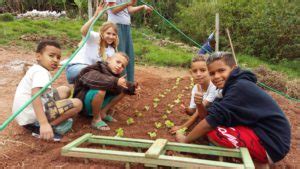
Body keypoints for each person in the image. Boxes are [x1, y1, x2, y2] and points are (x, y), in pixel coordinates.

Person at [176, 52, 291, 167]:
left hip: (272, 144)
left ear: (233, 68)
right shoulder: (227, 89)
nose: (216, 76)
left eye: (221, 70)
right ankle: (259, 162)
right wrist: (199, 104)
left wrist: (185, 140)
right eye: (212, 73)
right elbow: (206, 116)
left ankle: (259, 161)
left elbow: (209, 122)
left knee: (214, 132)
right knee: (212, 125)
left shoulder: (239, 88)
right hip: (265, 135)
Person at [12, 40, 83, 141]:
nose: (55, 60)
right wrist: (43, 123)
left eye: (58, 58)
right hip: (32, 117)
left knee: (65, 90)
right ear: (38, 56)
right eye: (51, 56)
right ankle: (44, 127)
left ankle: (44, 121)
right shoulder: (41, 73)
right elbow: (35, 96)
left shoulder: (37, 68)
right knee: (77, 103)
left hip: (25, 114)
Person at [74, 52, 137, 130]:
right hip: (83, 105)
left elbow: (118, 84)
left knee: (124, 88)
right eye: (118, 62)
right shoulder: (94, 68)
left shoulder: (115, 76)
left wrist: (132, 87)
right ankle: (96, 120)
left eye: (123, 66)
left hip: (97, 105)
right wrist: (115, 81)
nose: (119, 66)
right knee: (101, 89)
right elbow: (95, 79)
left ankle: (103, 112)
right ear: (108, 60)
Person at [66, 4, 119, 84]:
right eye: (108, 33)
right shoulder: (95, 37)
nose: (111, 36)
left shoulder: (111, 50)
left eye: (113, 34)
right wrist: (95, 16)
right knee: (98, 75)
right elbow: (83, 31)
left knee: (107, 78)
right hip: (76, 68)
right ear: (102, 33)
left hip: (90, 73)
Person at [105, 0, 153, 82]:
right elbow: (114, 10)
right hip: (115, 26)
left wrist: (142, 7)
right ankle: (120, 83)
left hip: (126, 26)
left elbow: (129, 10)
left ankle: (129, 82)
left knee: (128, 54)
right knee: (119, 55)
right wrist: (128, 3)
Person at [170, 55, 217, 134]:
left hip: (216, 118)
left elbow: (198, 112)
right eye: (195, 71)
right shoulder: (196, 88)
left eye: (203, 70)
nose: (198, 74)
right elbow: (193, 111)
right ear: (191, 73)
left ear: (210, 71)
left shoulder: (214, 86)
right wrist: (186, 109)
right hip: (205, 116)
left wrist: (183, 126)